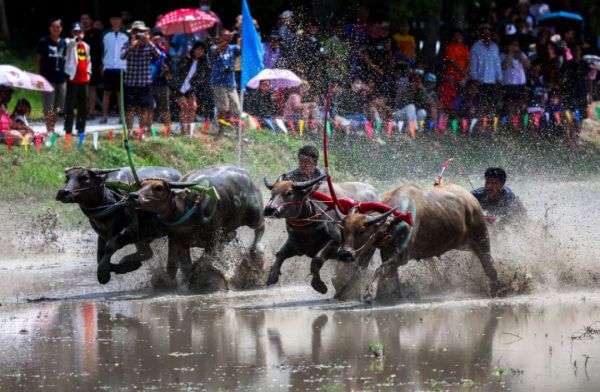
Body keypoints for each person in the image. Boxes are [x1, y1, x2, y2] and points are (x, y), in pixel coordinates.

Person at [120, 20, 161, 136]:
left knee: (144, 109)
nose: (138, 34)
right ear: (132, 33)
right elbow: (122, 56)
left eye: (141, 31)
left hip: (144, 83)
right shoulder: (128, 43)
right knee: (130, 109)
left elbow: (158, 55)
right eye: (136, 31)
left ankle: (140, 132)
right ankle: (129, 132)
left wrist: (150, 42)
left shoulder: (148, 45)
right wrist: (132, 46)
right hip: (130, 82)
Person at [171, 41, 211, 135]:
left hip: (191, 89)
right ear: (193, 50)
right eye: (198, 49)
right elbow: (177, 70)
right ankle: (183, 131)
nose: (199, 51)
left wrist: (206, 60)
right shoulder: (186, 59)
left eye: (202, 50)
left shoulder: (203, 63)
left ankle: (190, 132)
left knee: (193, 107)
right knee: (184, 107)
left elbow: (207, 72)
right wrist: (186, 59)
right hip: (179, 88)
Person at [36, 18, 67, 136]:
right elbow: (38, 59)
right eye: (54, 27)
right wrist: (38, 77)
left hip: (61, 78)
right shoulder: (43, 41)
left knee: (59, 105)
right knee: (48, 104)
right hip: (47, 78)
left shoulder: (64, 42)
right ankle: (49, 129)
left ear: (61, 29)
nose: (56, 29)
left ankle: (52, 127)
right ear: (50, 28)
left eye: (58, 27)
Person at [209, 29, 241, 134]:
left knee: (236, 108)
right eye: (224, 36)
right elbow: (217, 50)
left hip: (231, 83)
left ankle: (239, 133)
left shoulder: (233, 48)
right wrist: (226, 40)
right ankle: (220, 131)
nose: (227, 38)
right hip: (218, 83)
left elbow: (243, 49)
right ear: (220, 37)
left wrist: (241, 34)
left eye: (228, 36)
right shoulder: (213, 48)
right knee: (223, 108)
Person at [63, 23, 91, 136]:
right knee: (69, 106)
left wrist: (89, 73)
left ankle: (81, 128)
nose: (77, 34)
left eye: (79, 32)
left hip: (84, 80)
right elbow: (70, 44)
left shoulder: (86, 46)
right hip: (72, 79)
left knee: (83, 106)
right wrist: (76, 39)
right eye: (75, 31)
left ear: (83, 33)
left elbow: (88, 61)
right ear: (72, 32)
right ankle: (68, 128)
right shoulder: (68, 42)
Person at [100, 15, 129, 124]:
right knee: (106, 93)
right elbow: (102, 51)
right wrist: (102, 65)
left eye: (117, 19)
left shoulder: (126, 34)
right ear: (110, 20)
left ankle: (121, 117)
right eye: (113, 19)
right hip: (108, 67)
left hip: (121, 67)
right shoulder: (105, 34)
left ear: (121, 20)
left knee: (120, 93)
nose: (115, 21)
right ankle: (104, 116)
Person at [470, 24, 503, 114]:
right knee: (481, 103)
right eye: (484, 33)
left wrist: (499, 78)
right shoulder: (476, 47)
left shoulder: (495, 47)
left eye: (488, 33)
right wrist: (475, 78)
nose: (487, 35)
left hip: (492, 80)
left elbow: (497, 64)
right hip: (481, 80)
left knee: (491, 103)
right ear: (481, 34)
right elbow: (473, 64)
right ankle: (480, 124)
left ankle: (489, 123)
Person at [80, 13, 103, 118]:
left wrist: (102, 63)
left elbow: (101, 49)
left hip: (94, 64)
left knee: (92, 88)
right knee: (81, 89)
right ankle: (83, 110)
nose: (85, 21)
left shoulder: (97, 33)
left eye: (87, 18)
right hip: (80, 65)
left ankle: (91, 111)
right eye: (82, 19)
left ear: (91, 20)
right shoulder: (78, 34)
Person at [150, 28, 171, 132]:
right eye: (155, 40)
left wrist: (167, 69)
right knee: (148, 108)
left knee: (165, 108)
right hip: (149, 84)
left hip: (163, 84)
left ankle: (167, 131)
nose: (157, 42)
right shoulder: (147, 52)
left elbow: (170, 69)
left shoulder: (165, 53)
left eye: (159, 40)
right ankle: (147, 131)